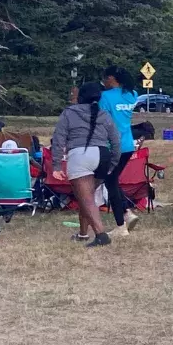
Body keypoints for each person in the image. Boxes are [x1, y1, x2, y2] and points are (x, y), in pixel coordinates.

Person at [52, 81, 121, 245]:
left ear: (80, 97)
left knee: (87, 198)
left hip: (80, 155)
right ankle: (83, 234)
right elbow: (116, 141)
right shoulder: (104, 114)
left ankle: (101, 235)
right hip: (103, 155)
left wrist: (55, 165)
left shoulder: (69, 113)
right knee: (85, 198)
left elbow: (58, 139)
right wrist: (113, 163)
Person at [97, 67, 142, 232]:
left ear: (111, 78)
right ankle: (125, 213)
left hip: (112, 145)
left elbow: (103, 121)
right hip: (128, 144)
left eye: (105, 79)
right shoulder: (132, 95)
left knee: (110, 182)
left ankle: (121, 223)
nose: (104, 83)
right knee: (112, 180)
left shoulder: (105, 97)